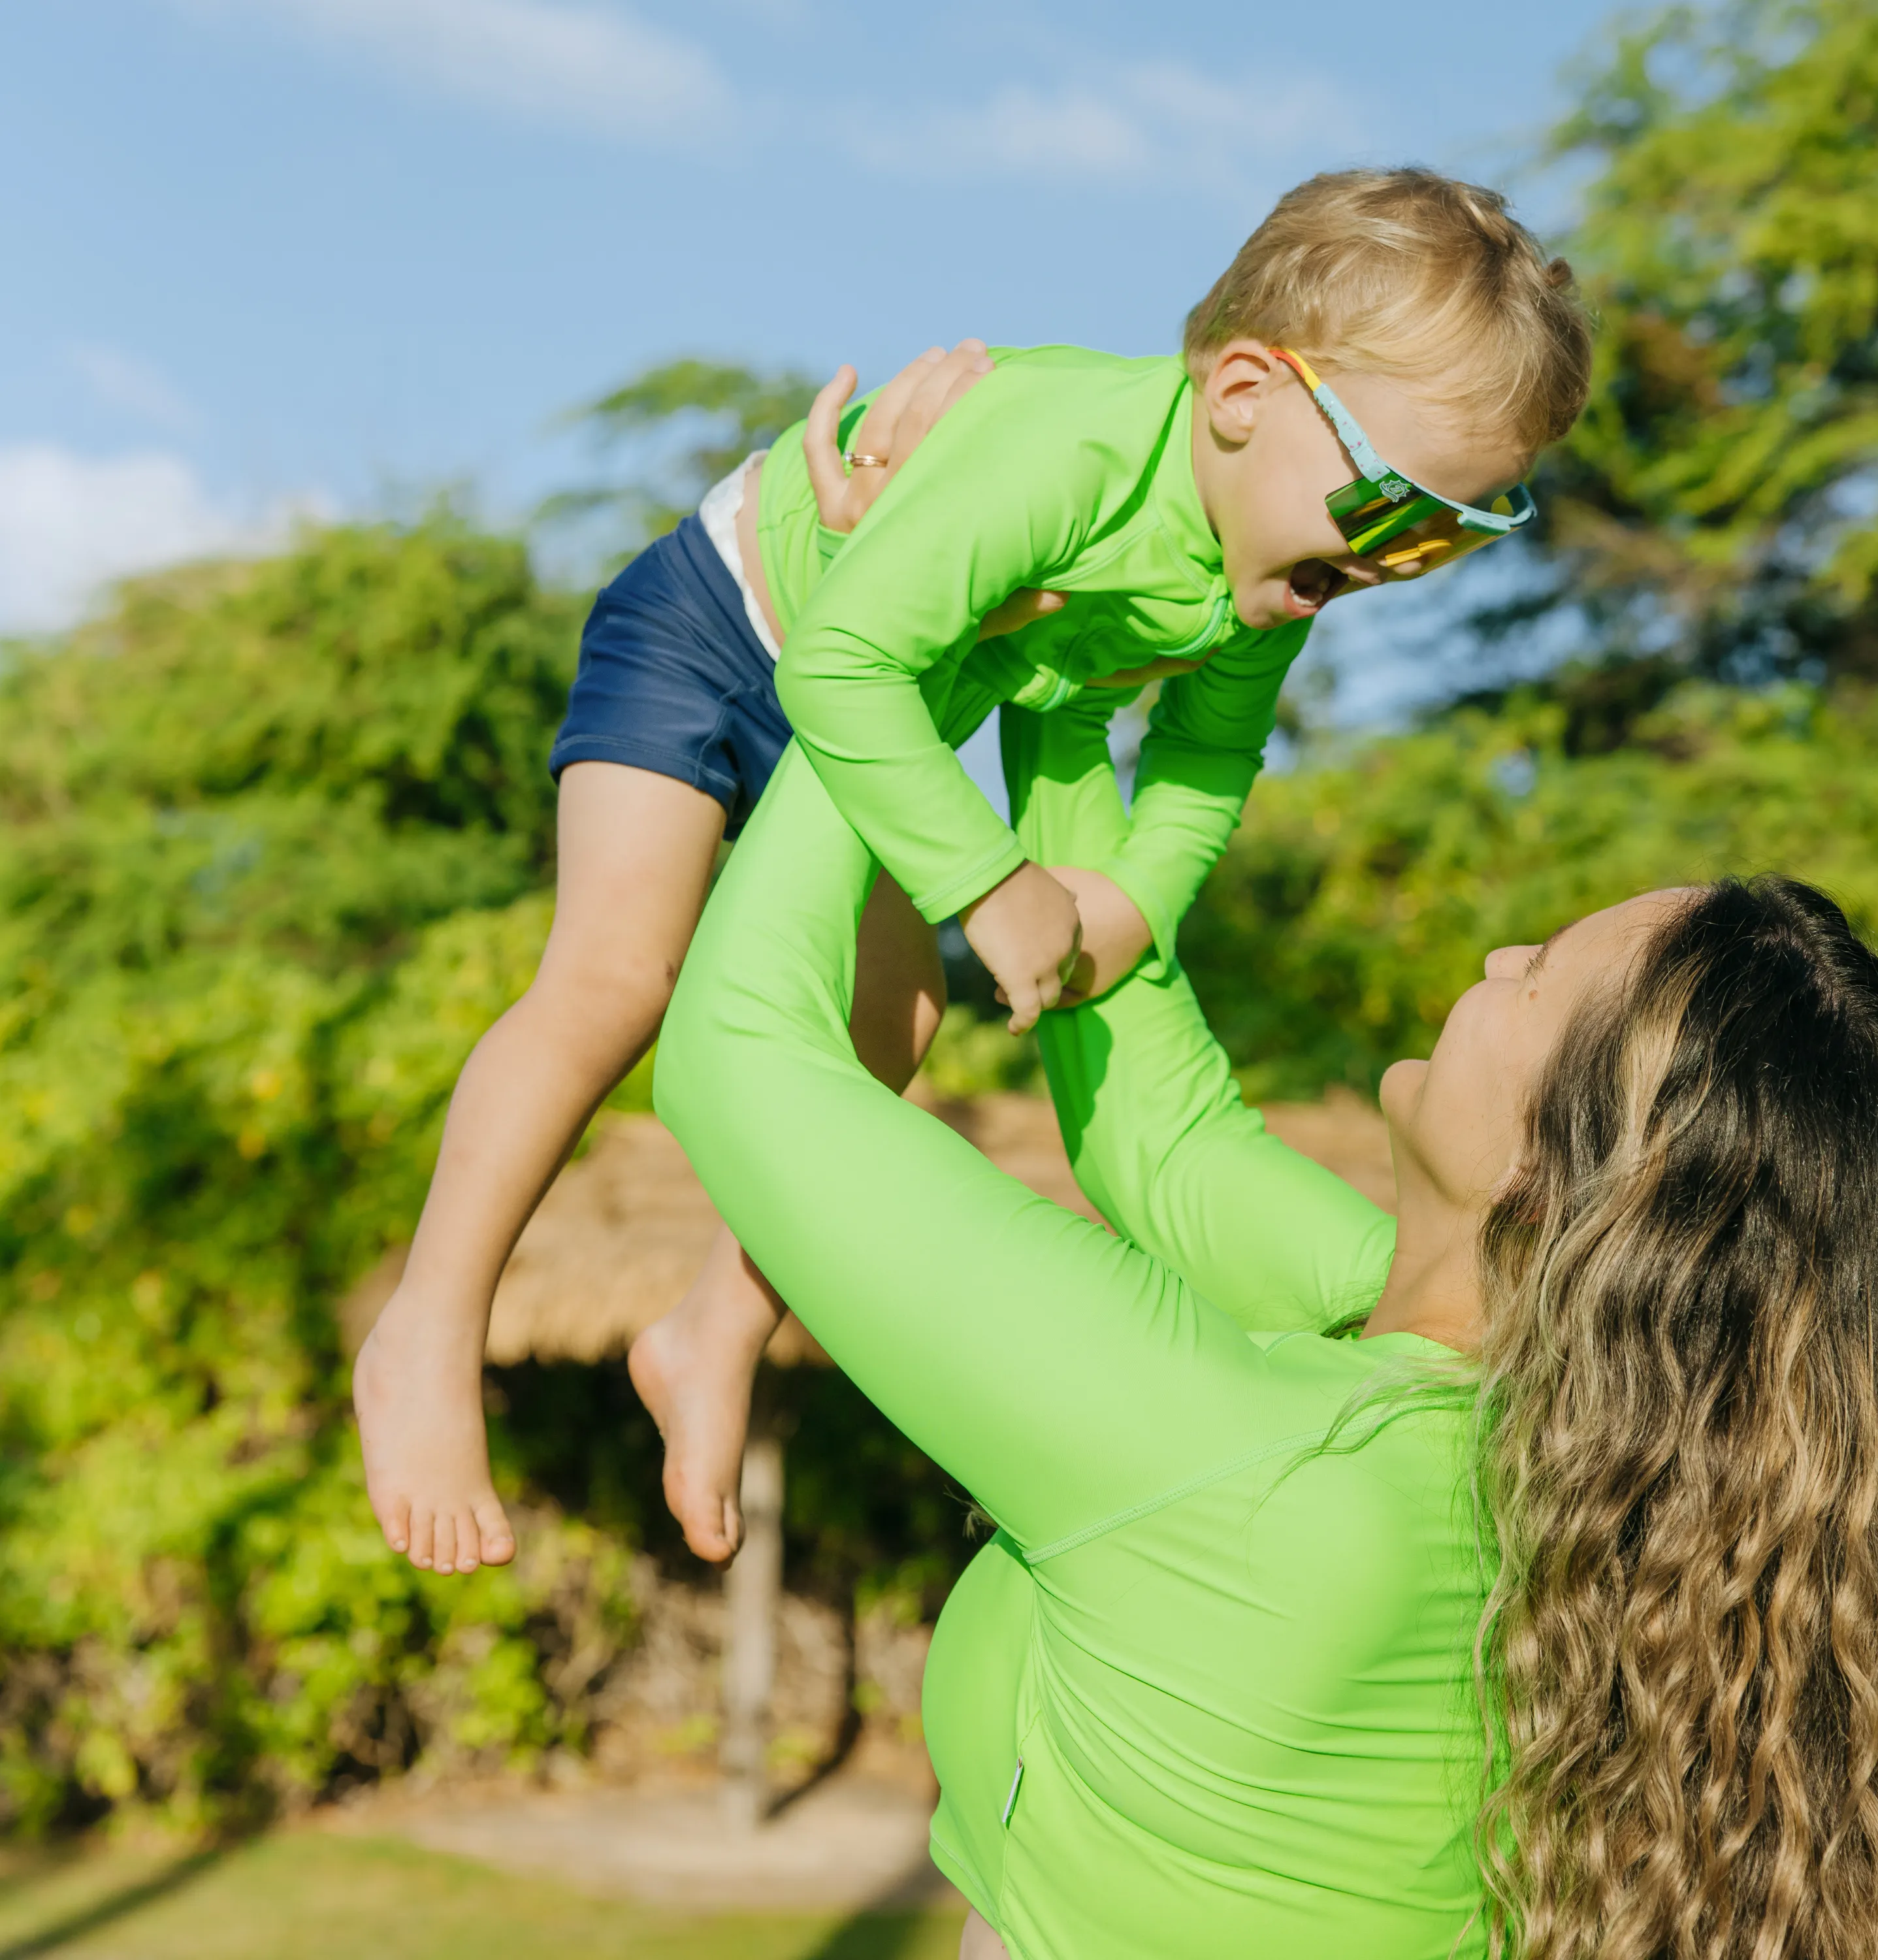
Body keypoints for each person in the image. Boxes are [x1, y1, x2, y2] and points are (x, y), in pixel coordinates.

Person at [355, 166, 1591, 1574]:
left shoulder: (1273, 576)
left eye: (1452, 533)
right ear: (1246, 391)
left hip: (894, 711)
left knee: (894, 1029)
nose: (1401, 565)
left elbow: (1205, 763)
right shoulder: (1066, 462)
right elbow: (841, 657)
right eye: (1391, 512)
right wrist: (991, 884)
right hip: (732, 624)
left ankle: (712, 1326)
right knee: (618, 976)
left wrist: (1131, 905)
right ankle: (428, 1330)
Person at [656, 714, 1878, 1953]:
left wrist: (885, 647)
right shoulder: (1559, 1439)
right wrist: (1061, 706)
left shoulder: (1262, 1468)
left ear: (1554, 1180)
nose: (1500, 961)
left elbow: (737, 1060)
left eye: (1541, 980)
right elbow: (1164, 1137)